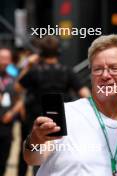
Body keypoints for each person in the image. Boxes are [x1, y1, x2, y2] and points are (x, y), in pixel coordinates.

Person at [23, 34, 117, 176]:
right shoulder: (65, 115)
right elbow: (33, 159)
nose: (105, 75)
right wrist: (35, 140)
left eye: (114, 68)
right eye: (98, 69)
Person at [15, 36, 90, 176]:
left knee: (37, 160)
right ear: (59, 51)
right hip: (62, 124)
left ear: (40, 53)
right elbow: (85, 94)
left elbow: (18, 87)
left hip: (38, 125)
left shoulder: (34, 71)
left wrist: (28, 65)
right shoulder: (67, 71)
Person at [0, 47, 23, 176]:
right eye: (2, 59)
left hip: (7, 125)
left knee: (4, 159)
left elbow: (20, 100)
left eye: (7, 59)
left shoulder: (14, 79)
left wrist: (12, 113)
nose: (4, 62)